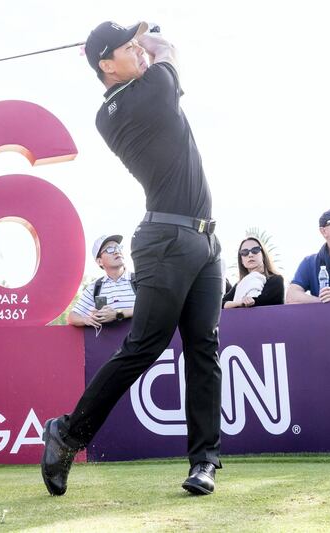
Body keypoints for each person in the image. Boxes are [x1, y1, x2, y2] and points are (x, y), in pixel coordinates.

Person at [41, 21, 223, 497]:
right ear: (106, 65)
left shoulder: (144, 89)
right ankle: (67, 433)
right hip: (163, 240)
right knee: (144, 347)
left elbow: (158, 62)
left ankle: (204, 461)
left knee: (204, 349)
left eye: (137, 44)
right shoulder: (119, 109)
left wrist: (138, 41)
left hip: (205, 241)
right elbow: (168, 54)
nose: (139, 51)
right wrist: (154, 41)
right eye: (128, 47)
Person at [68, 234, 136, 327]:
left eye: (118, 247)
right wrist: (86, 319)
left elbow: (152, 307)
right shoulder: (95, 287)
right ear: (100, 261)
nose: (116, 251)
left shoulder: (139, 280)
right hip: (110, 341)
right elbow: (72, 317)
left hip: (140, 341)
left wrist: (117, 314)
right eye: (110, 249)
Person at [222, 237, 284, 308]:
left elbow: (264, 302)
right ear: (241, 260)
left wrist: (254, 275)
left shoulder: (276, 279)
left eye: (255, 250)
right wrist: (239, 303)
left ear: (263, 255)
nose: (250, 255)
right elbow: (220, 305)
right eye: (244, 252)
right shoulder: (239, 285)